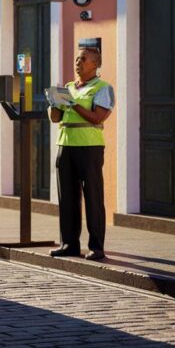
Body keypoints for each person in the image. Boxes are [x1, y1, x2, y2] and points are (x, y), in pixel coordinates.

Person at [47, 47, 114, 261]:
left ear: (95, 64)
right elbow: (55, 119)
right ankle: (69, 244)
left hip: (89, 147)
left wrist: (73, 104)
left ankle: (97, 247)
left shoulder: (103, 88)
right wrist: (54, 103)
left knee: (93, 196)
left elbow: (97, 118)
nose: (78, 62)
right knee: (67, 198)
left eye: (83, 59)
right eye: (77, 58)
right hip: (65, 145)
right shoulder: (68, 87)